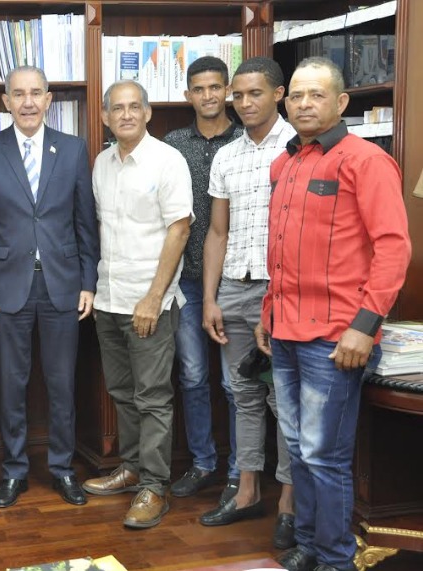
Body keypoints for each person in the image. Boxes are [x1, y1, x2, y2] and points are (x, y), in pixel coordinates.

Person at [258, 57, 411, 571]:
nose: (304, 103)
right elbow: (279, 249)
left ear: (341, 102)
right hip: (284, 331)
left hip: (336, 338)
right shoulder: (286, 163)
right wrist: (267, 313)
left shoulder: (365, 161)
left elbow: (393, 249)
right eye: (297, 95)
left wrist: (365, 327)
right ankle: (308, 543)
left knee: (325, 456)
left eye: (316, 95)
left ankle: (336, 559)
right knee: (298, 449)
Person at [0, 65, 99, 509]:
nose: (27, 101)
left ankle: (62, 469)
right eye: (18, 94)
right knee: (11, 384)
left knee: (62, 385)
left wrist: (88, 281)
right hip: (7, 289)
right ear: (6, 101)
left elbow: (85, 222)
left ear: (48, 99)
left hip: (63, 286)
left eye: (35, 93)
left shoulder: (75, 149)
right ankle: (15, 470)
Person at [81, 80, 193, 529]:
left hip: (149, 302)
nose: (126, 115)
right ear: (106, 117)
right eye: (117, 109)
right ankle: (130, 468)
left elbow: (179, 230)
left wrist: (154, 296)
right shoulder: (102, 163)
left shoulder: (168, 161)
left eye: (134, 107)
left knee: (152, 397)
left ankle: (154, 486)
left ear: (148, 113)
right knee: (122, 393)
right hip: (108, 297)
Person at [198, 57, 295, 549]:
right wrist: (210, 297)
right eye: (239, 95)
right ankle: (248, 491)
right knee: (243, 394)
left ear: (278, 94)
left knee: (283, 399)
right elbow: (217, 232)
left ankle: (289, 502)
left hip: (281, 295)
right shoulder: (227, 156)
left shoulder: (298, 149)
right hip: (234, 288)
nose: (244, 102)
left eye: (254, 93)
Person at [163, 57, 242, 501]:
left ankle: (239, 470)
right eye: (200, 88)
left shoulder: (245, 139)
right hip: (188, 280)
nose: (208, 95)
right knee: (192, 376)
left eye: (216, 87)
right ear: (188, 94)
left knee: (235, 384)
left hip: (237, 280)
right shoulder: (174, 144)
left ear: (226, 89)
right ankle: (203, 463)